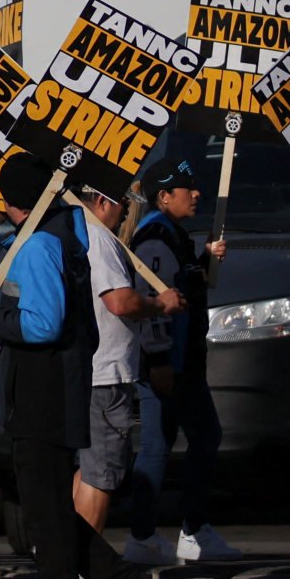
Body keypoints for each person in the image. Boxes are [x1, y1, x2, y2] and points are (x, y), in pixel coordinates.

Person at [0, 155, 150, 579]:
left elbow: (41, 324)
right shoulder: (67, 232)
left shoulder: (39, 244)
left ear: (13, 202)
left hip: (42, 390)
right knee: (49, 512)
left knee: (45, 517)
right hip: (59, 385)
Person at [124, 154, 233, 566]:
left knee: (166, 442)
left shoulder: (174, 235)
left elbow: (183, 284)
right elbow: (154, 300)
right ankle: (180, 532)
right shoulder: (156, 238)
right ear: (164, 196)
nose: (197, 194)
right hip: (170, 363)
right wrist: (158, 361)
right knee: (188, 439)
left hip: (180, 360)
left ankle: (159, 534)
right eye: (188, 189)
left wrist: (204, 261)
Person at [76, 182, 171, 556]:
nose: (126, 212)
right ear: (103, 200)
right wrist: (158, 304)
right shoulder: (100, 240)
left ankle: (73, 558)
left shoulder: (79, 233)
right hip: (105, 374)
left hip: (91, 372)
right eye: (123, 203)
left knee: (87, 471)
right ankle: (85, 566)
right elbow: (119, 301)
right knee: (101, 476)